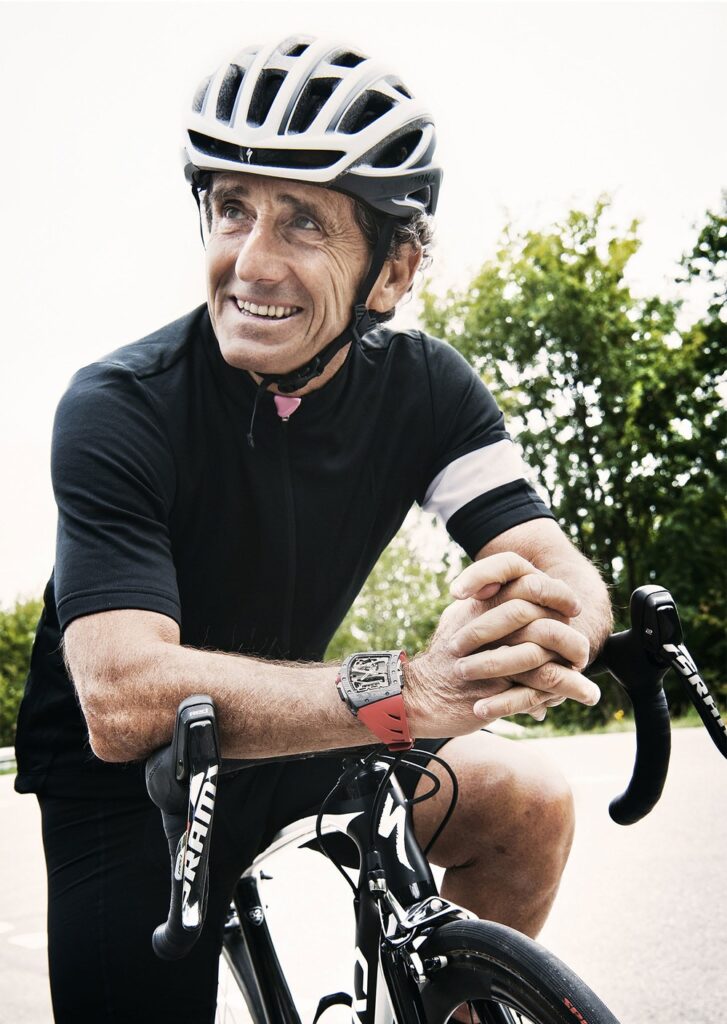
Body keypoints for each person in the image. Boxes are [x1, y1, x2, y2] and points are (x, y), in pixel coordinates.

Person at [14, 34, 611, 1023]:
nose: (251, 262)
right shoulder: (119, 405)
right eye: (231, 208)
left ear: (393, 269)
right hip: (131, 787)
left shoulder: (426, 388)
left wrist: (559, 628)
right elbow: (121, 697)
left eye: (301, 221)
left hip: (300, 734)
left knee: (528, 805)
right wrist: (410, 687)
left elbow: (547, 559)